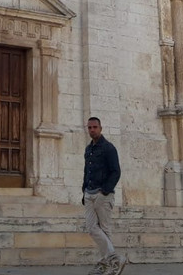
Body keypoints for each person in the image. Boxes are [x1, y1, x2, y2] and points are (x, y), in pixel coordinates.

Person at [83, 116, 127, 274]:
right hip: (89, 193)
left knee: (105, 229)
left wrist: (105, 191)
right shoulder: (88, 149)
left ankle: (104, 266)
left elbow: (116, 172)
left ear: (100, 128)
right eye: (89, 127)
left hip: (103, 194)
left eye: (95, 127)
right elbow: (86, 171)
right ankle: (115, 259)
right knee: (91, 228)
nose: (92, 130)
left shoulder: (109, 148)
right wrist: (84, 191)